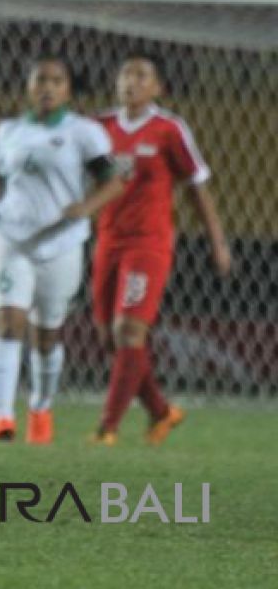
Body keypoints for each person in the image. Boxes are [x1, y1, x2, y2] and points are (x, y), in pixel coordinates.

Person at [0, 58, 123, 444]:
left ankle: (40, 406)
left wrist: (85, 208)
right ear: (29, 87)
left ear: (68, 89)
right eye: (40, 80)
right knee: (7, 323)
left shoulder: (85, 133)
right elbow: (1, 179)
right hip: (11, 238)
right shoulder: (10, 131)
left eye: (56, 80)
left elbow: (112, 182)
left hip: (60, 242)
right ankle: (2, 417)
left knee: (46, 335)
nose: (47, 87)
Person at [90, 54, 231, 445]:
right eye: (125, 74)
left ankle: (107, 429)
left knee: (129, 329)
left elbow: (196, 187)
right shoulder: (99, 127)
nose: (131, 81)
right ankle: (162, 412)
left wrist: (217, 240)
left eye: (141, 75)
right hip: (108, 240)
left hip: (148, 244)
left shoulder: (169, 129)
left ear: (158, 88)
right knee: (109, 338)